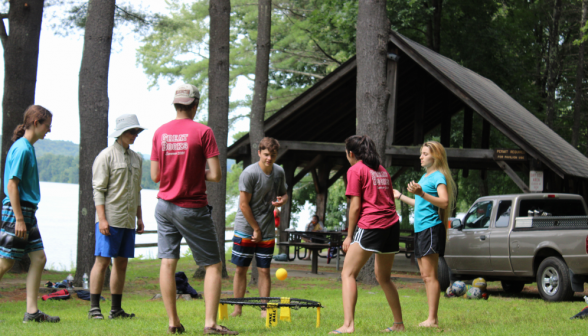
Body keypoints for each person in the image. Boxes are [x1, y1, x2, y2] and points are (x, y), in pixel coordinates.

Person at [151, 84, 238, 335]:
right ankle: (210, 323)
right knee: (213, 265)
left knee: (168, 262)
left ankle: (173, 322)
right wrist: (195, 171)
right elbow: (217, 175)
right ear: (195, 105)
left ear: (176, 104)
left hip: (164, 206)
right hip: (191, 207)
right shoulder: (204, 132)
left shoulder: (160, 133)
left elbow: (156, 175)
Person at [330, 135, 404, 334]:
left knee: (348, 273)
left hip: (371, 225)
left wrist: (349, 236)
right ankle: (398, 323)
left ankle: (348, 325)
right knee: (383, 277)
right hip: (392, 224)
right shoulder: (382, 170)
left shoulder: (355, 170)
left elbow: (355, 207)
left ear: (351, 153)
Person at [0, 105, 60, 323]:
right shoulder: (22, 149)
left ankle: (32, 313)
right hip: (18, 212)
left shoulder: (27, 148)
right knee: (6, 262)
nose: (49, 131)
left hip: (27, 212)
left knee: (39, 258)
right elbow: (12, 185)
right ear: (36, 123)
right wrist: (18, 219)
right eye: (47, 126)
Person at [88, 114, 146, 320]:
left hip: (128, 219)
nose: (135, 135)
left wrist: (139, 217)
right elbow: (98, 190)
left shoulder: (137, 158)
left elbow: (137, 190)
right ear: (121, 133)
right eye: (132, 131)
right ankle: (94, 308)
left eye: (137, 131)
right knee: (102, 261)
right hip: (110, 219)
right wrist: (102, 219)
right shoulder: (105, 156)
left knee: (121, 263)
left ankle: (116, 309)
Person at [394, 140, 456, 328]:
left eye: (425, 154)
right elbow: (420, 203)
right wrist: (400, 196)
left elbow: (444, 202)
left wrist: (421, 193)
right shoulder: (425, 177)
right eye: (421, 153)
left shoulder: (438, 176)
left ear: (435, 156)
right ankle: (431, 318)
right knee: (424, 275)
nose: (421, 157)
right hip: (421, 229)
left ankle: (433, 319)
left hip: (431, 229)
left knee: (430, 276)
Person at [230, 137, 288, 318]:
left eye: (272, 155)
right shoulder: (249, 173)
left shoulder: (279, 172)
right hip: (246, 228)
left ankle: (264, 310)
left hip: (267, 229)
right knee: (241, 269)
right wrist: (255, 228)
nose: (269, 158)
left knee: (264, 270)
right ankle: (237, 309)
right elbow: (243, 205)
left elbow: (284, 193)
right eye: (265, 155)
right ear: (259, 153)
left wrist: (282, 200)